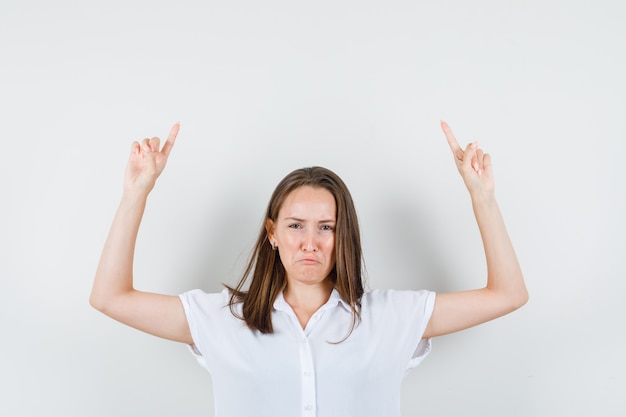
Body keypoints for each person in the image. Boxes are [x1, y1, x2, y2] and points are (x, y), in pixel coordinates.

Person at [90, 121, 528, 417]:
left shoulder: (390, 318)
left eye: (326, 228)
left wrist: (481, 196)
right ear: (273, 233)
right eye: (295, 225)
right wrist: (136, 193)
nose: (310, 242)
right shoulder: (222, 320)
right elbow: (110, 298)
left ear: (343, 237)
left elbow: (508, 294)